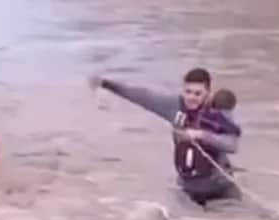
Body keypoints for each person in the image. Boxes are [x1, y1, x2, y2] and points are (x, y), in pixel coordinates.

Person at [90, 68, 243, 207]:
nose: (191, 98)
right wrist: (106, 84)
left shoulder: (218, 114)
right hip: (188, 190)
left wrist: (201, 135)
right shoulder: (174, 107)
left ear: (208, 93)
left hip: (221, 189)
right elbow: (142, 96)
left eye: (197, 93)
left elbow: (232, 145)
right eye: (188, 92)